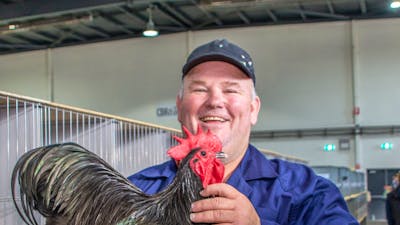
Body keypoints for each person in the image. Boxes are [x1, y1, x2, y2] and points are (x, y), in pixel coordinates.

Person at [128, 39, 359, 225]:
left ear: (253, 109)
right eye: (199, 89)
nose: (215, 101)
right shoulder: (135, 191)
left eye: (231, 90)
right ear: (179, 107)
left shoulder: (307, 191)